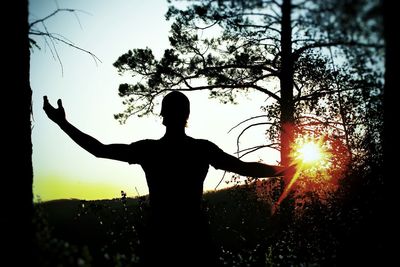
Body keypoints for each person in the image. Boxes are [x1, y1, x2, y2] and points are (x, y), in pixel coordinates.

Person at [43, 91, 294, 266]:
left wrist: (63, 123)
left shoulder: (149, 150)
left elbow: (99, 149)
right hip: (194, 240)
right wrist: (285, 170)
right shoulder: (201, 149)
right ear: (186, 116)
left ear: (163, 116)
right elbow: (245, 167)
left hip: (160, 240)